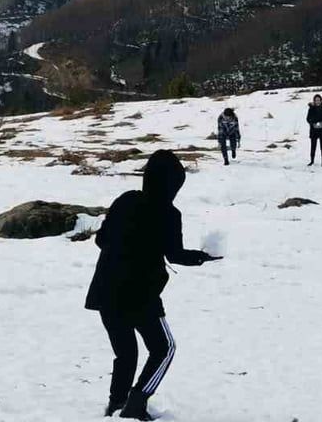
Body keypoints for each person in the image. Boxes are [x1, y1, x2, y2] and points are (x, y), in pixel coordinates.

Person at [85, 150, 221, 420]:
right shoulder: (169, 214)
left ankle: (117, 404)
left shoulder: (125, 200)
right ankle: (136, 403)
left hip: (105, 291)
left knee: (126, 353)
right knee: (164, 348)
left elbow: (100, 240)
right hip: (139, 295)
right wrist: (202, 257)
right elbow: (174, 255)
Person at [306, 94, 322, 166]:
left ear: (321, 100)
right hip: (313, 130)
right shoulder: (311, 108)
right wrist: (313, 124)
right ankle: (312, 161)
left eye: (319, 100)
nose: (317, 101)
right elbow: (308, 119)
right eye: (316, 100)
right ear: (314, 101)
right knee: (313, 146)